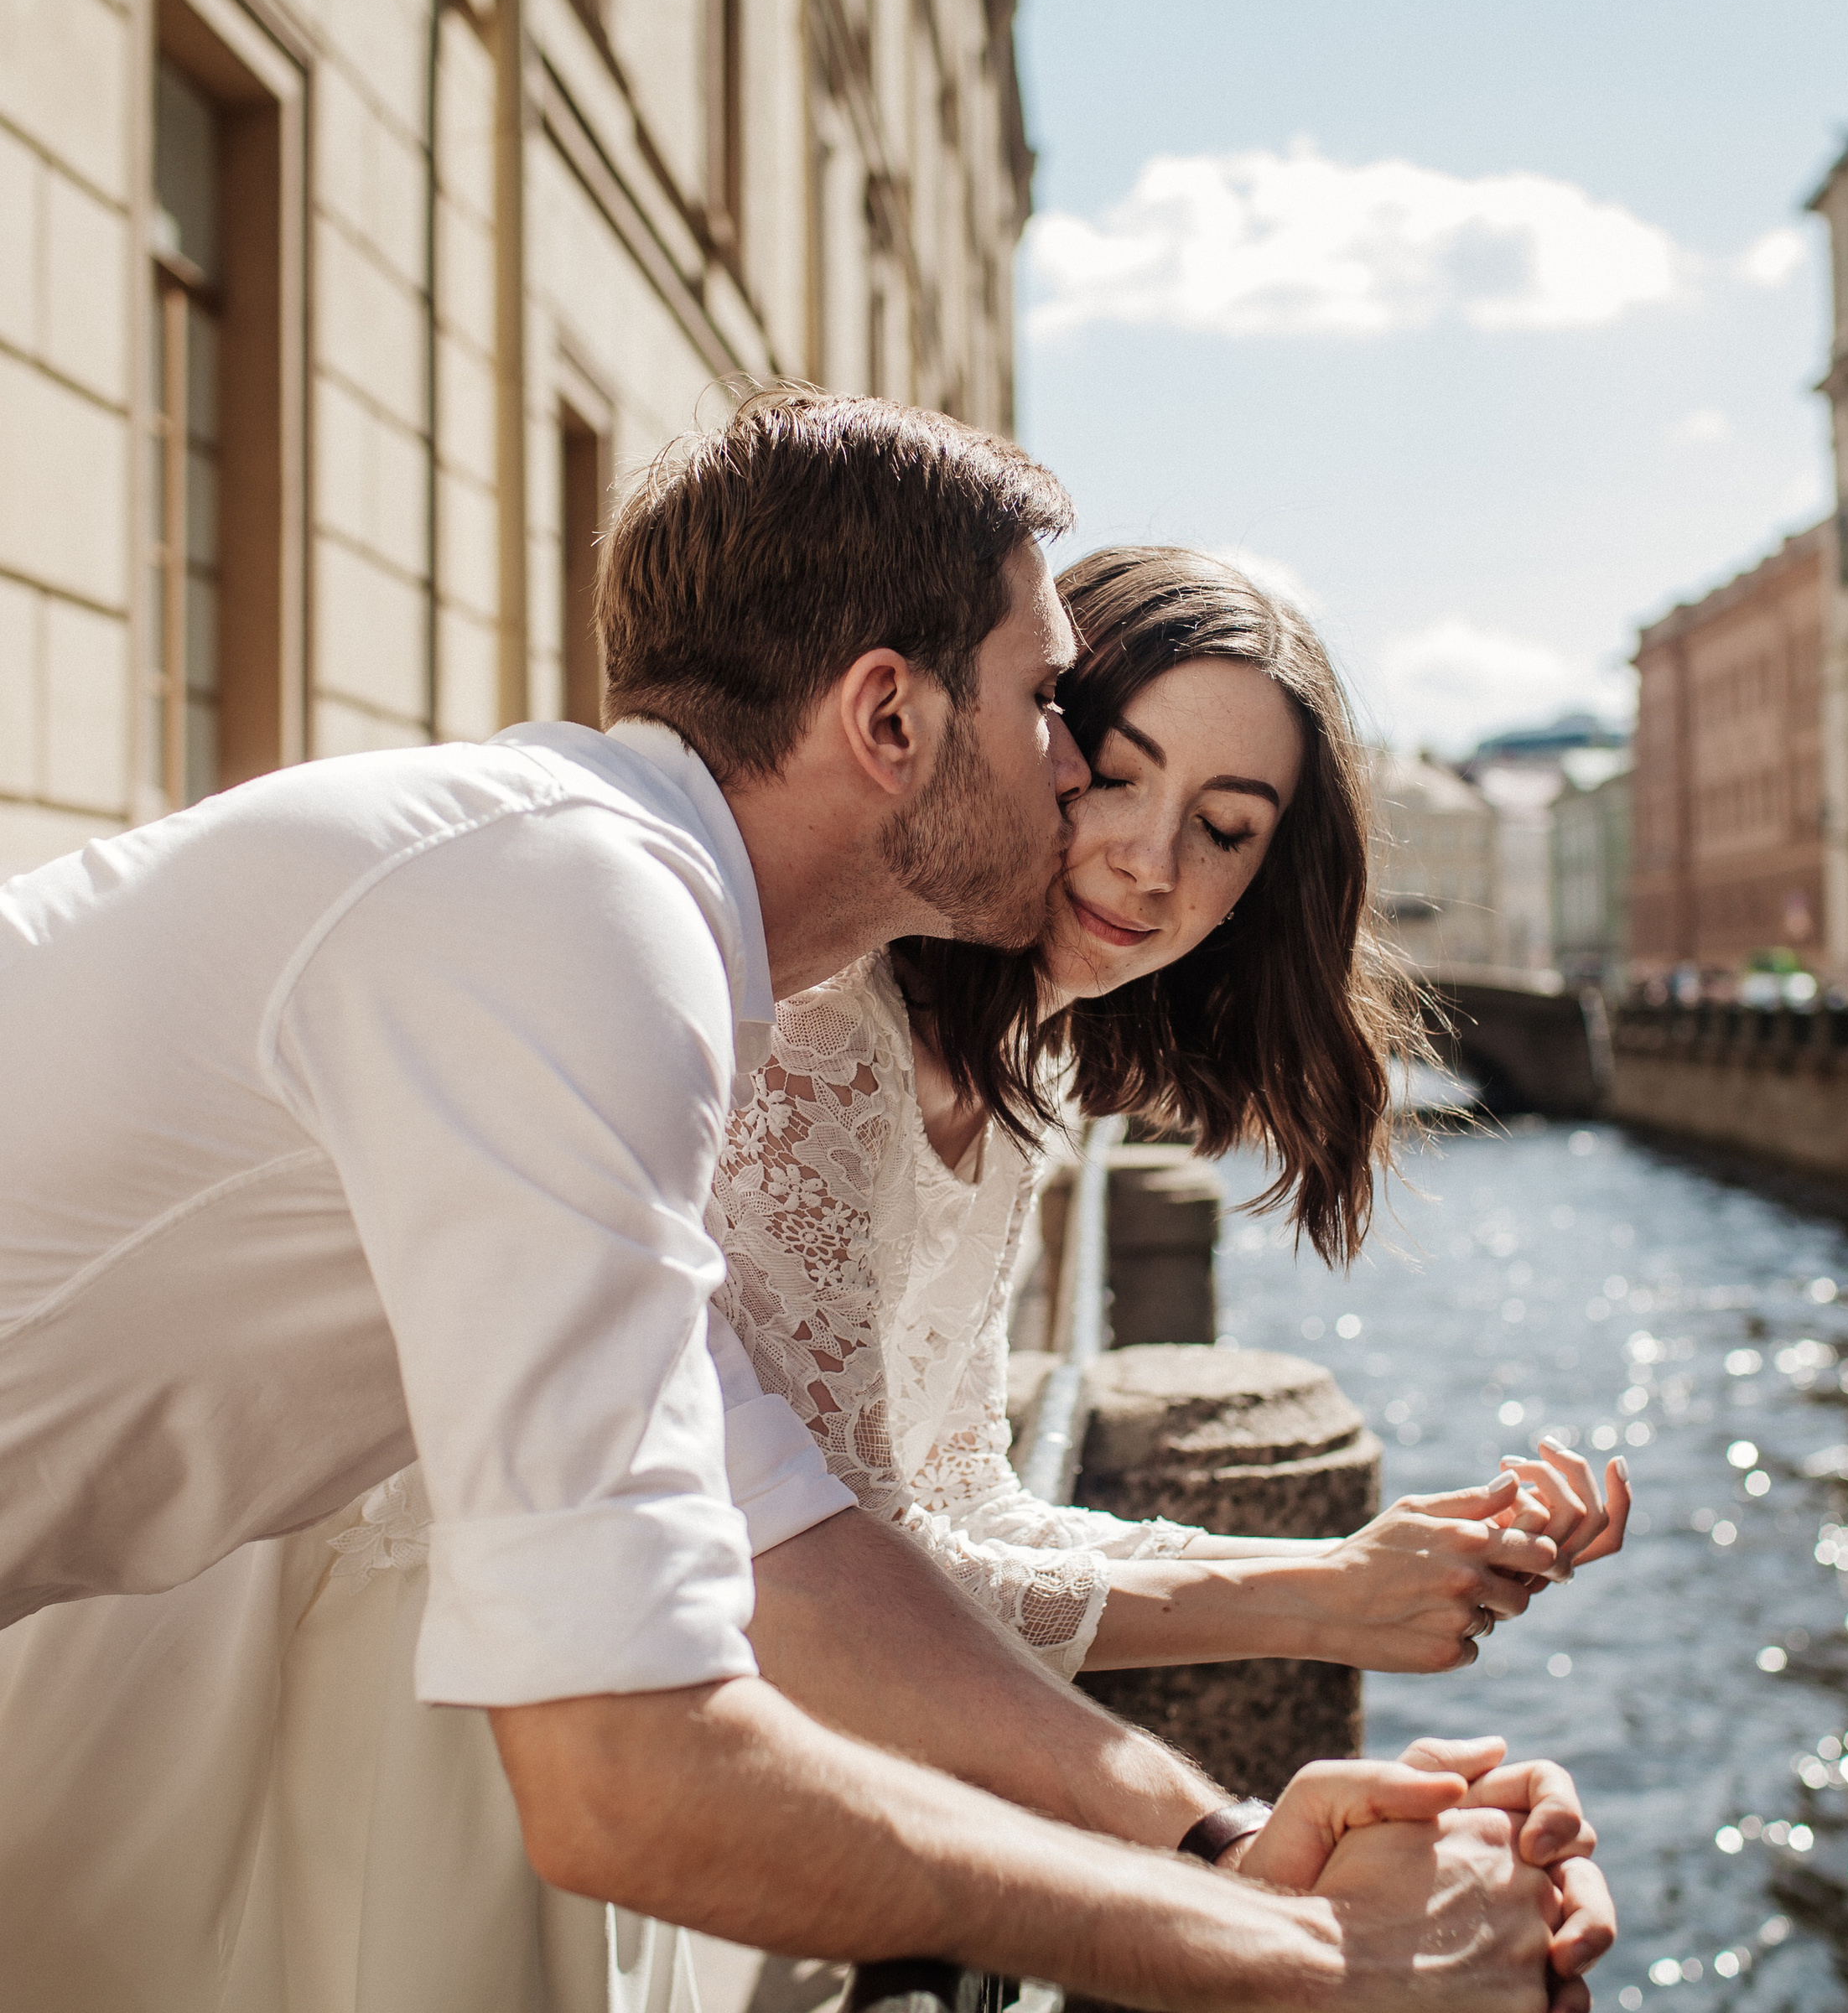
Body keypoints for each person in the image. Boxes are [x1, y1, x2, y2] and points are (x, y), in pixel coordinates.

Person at [0, 391, 1612, 2012]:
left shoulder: (621, 913)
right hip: (291, 1724)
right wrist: (1315, 1952)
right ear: (890, 718)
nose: (1085, 793)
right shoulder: (579, 922)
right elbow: (632, 1755)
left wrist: (1219, 1839)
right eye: (1052, 707)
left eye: (1224, 828)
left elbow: (784, 1524)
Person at [712, 545, 1631, 1683]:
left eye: (1224, 828)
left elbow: (966, 1507)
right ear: (1026, 742)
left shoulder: (1026, 1064)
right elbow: (834, 1580)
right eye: (1115, 776)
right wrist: (1324, 1604)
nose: (1152, 864)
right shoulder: (823, 1038)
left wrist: (1360, 1569)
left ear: (1263, 882)